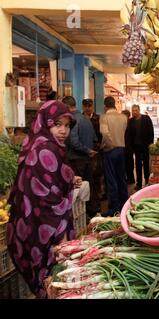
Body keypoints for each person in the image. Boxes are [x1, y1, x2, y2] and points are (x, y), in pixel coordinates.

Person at [6, 100, 82, 298]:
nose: (63, 130)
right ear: (45, 123)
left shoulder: (36, 143)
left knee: (47, 279)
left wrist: (68, 180)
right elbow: (47, 196)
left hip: (30, 222)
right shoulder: (46, 148)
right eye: (57, 124)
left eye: (67, 125)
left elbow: (49, 179)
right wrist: (61, 234)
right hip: (44, 222)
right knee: (51, 277)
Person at [62, 96, 99, 218]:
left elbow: (74, 142)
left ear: (67, 107)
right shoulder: (86, 119)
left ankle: (82, 215)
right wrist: (90, 150)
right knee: (89, 186)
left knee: (79, 189)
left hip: (76, 160)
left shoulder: (72, 120)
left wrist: (86, 150)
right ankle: (93, 211)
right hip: (88, 160)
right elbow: (94, 139)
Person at [100, 96, 128, 216]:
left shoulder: (104, 117)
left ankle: (114, 208)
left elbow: (105, 134)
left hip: (110, 151)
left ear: (105, 106)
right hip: (121, 149)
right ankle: (125, 205)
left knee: (111, 180)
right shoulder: (123, 117)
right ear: (114, 104)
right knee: (121, 178)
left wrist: (108, 145)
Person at [125, 104, 154, 190]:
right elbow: (129, 135)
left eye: (136, 110)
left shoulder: (146, 118)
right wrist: (130, 147)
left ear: (139, 110)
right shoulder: (130, 121)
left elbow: (151, 131)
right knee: (137, 165)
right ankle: (139, 183)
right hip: (136, 147)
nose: (134, 112)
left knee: (146, 164)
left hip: (145, 145)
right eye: (133, 110)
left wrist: (150, 144)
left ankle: (147, 181)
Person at [82, 98, 105, 203]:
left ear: (92, 106)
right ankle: (87, 197)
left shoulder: (98, 118)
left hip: (96, 151)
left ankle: (97, 195)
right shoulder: (80, 118)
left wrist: (98, 146)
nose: (87, 108)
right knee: (86, 176)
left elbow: (102, 134)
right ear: (83, 107)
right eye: (85, 106)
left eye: (89, 106)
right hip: (83, 151)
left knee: (97, 173)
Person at [122, 109, 135, 185]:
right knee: (126, 164)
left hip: (129, 147)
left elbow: (132, 136)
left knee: (129, 164)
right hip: (124, 147)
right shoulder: (122, 123)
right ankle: (128, 178)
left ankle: (131, 178)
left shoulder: (130, 124)